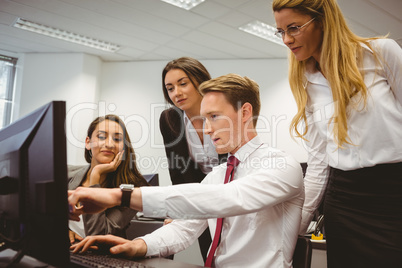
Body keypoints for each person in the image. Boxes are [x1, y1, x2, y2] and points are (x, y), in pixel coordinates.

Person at [68, 73, 304, 268]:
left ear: (244, 113)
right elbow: (183, 228)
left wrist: (122, 195)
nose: (207, 129)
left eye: (214, 117)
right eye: (204, 119)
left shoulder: (282, 166)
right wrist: (138, 245)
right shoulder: (218, 175)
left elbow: (228, 198)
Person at [272, 0, 402, 267]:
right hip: (343, 200)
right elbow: (319, 159)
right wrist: (298, 224)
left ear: (322, 20)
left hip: (393, 195)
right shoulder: (305, 79)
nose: (286, 39)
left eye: (293, 28)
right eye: (281, 31)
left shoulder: (379, 53)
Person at [159, 57, 226, 261]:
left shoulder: (224, 111)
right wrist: (177, 210)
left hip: (231, 193)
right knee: (209, 257)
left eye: (183, 83)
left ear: (200, 81)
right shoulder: (170, 119)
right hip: (199, 199)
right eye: (170, 88)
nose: (176, 93)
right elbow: (177, 171)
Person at [68, 114, 149, 244]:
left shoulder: (133, 188)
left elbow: (98, 236)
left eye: (117, 139)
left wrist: (95, 177)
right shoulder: (67, 174)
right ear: (88, 143)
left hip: (100, 259)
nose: (110, 144)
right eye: (101, 137)